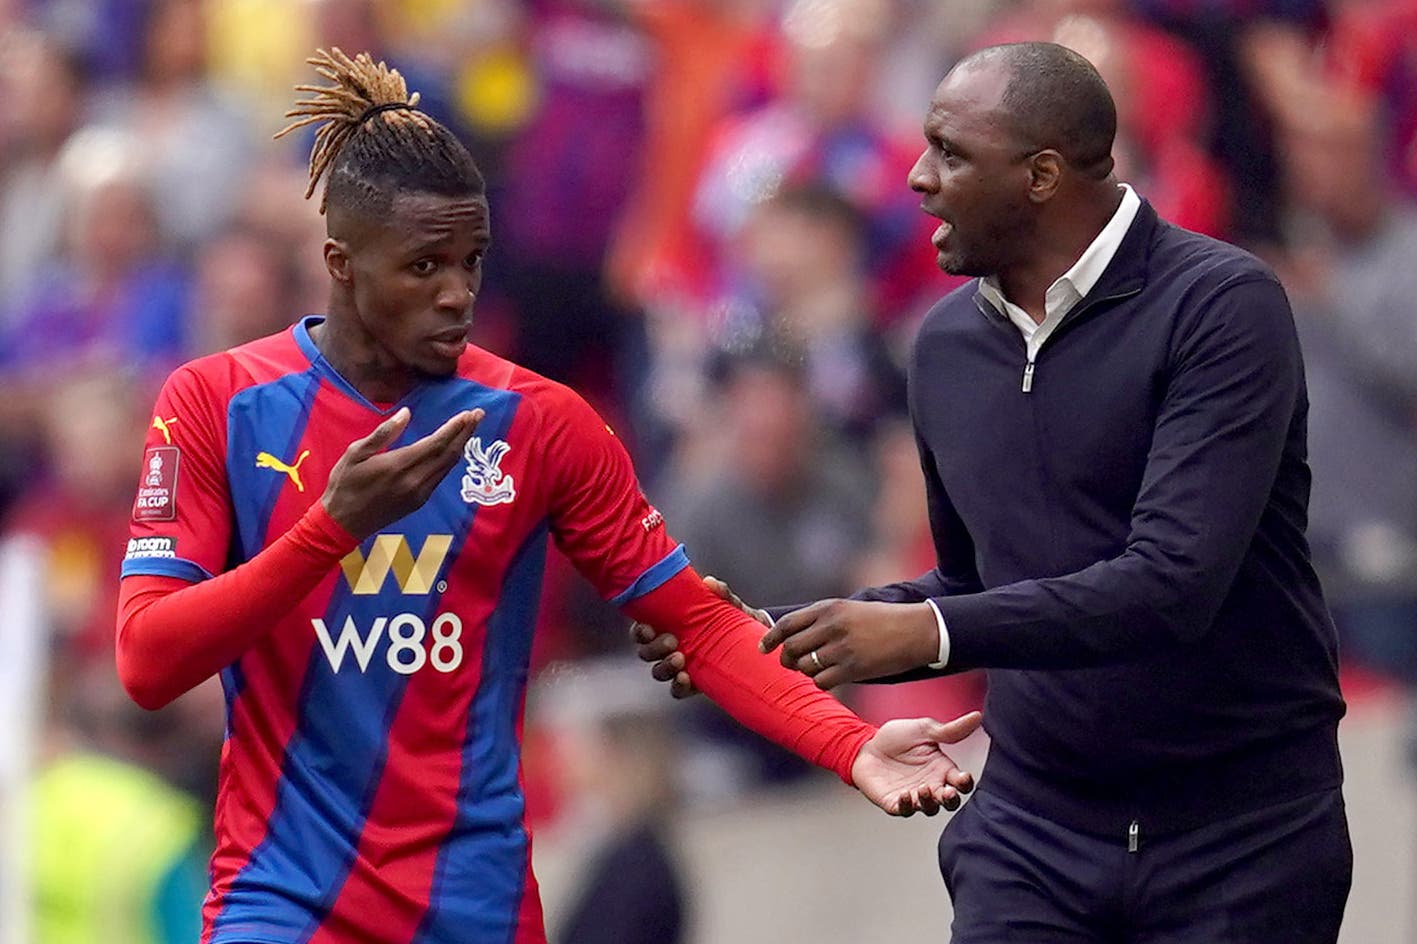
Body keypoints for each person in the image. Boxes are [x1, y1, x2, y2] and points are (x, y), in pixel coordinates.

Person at [112, 48, 980, 944]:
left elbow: (697, 621)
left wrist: (846, 743)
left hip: (473, 906)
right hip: (281, 905)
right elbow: (147, 662)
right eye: (424, 267)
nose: (457, 295)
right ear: (341, 264)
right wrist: (330, 529)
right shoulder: (217, 402)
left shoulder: (538, 421)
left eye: (472, 261)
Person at [635, 41, 1351, 943]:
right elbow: (975, 583)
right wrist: (778, 636)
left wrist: (923, 633)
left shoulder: (1220, 305)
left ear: (1041, 175)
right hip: (1033, 834)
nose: (918, 178)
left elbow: (1174, 584)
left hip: (1241, 839)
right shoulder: (941, 347)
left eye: (950, 152)